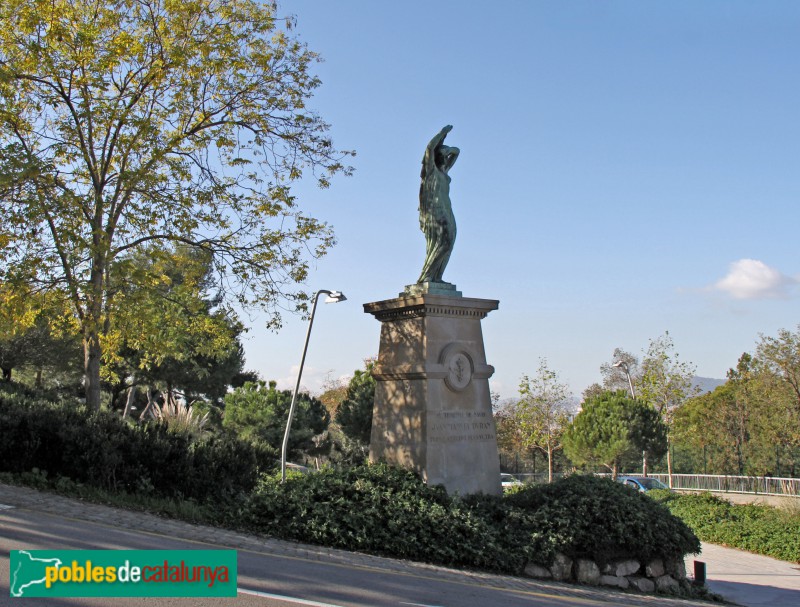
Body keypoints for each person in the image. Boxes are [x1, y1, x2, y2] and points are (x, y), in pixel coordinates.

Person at [417, 125, 459, 284]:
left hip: (448, 212)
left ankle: (437, 277)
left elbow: (457, 151)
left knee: (450, 243)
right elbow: (429, 149)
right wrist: (441, 134)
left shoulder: (444, 171)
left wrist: (448, 149)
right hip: (435, 212)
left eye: (445, 155)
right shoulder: (431, 171)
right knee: (444, 241)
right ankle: (426, 276)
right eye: (440, 154)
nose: (444, 157)